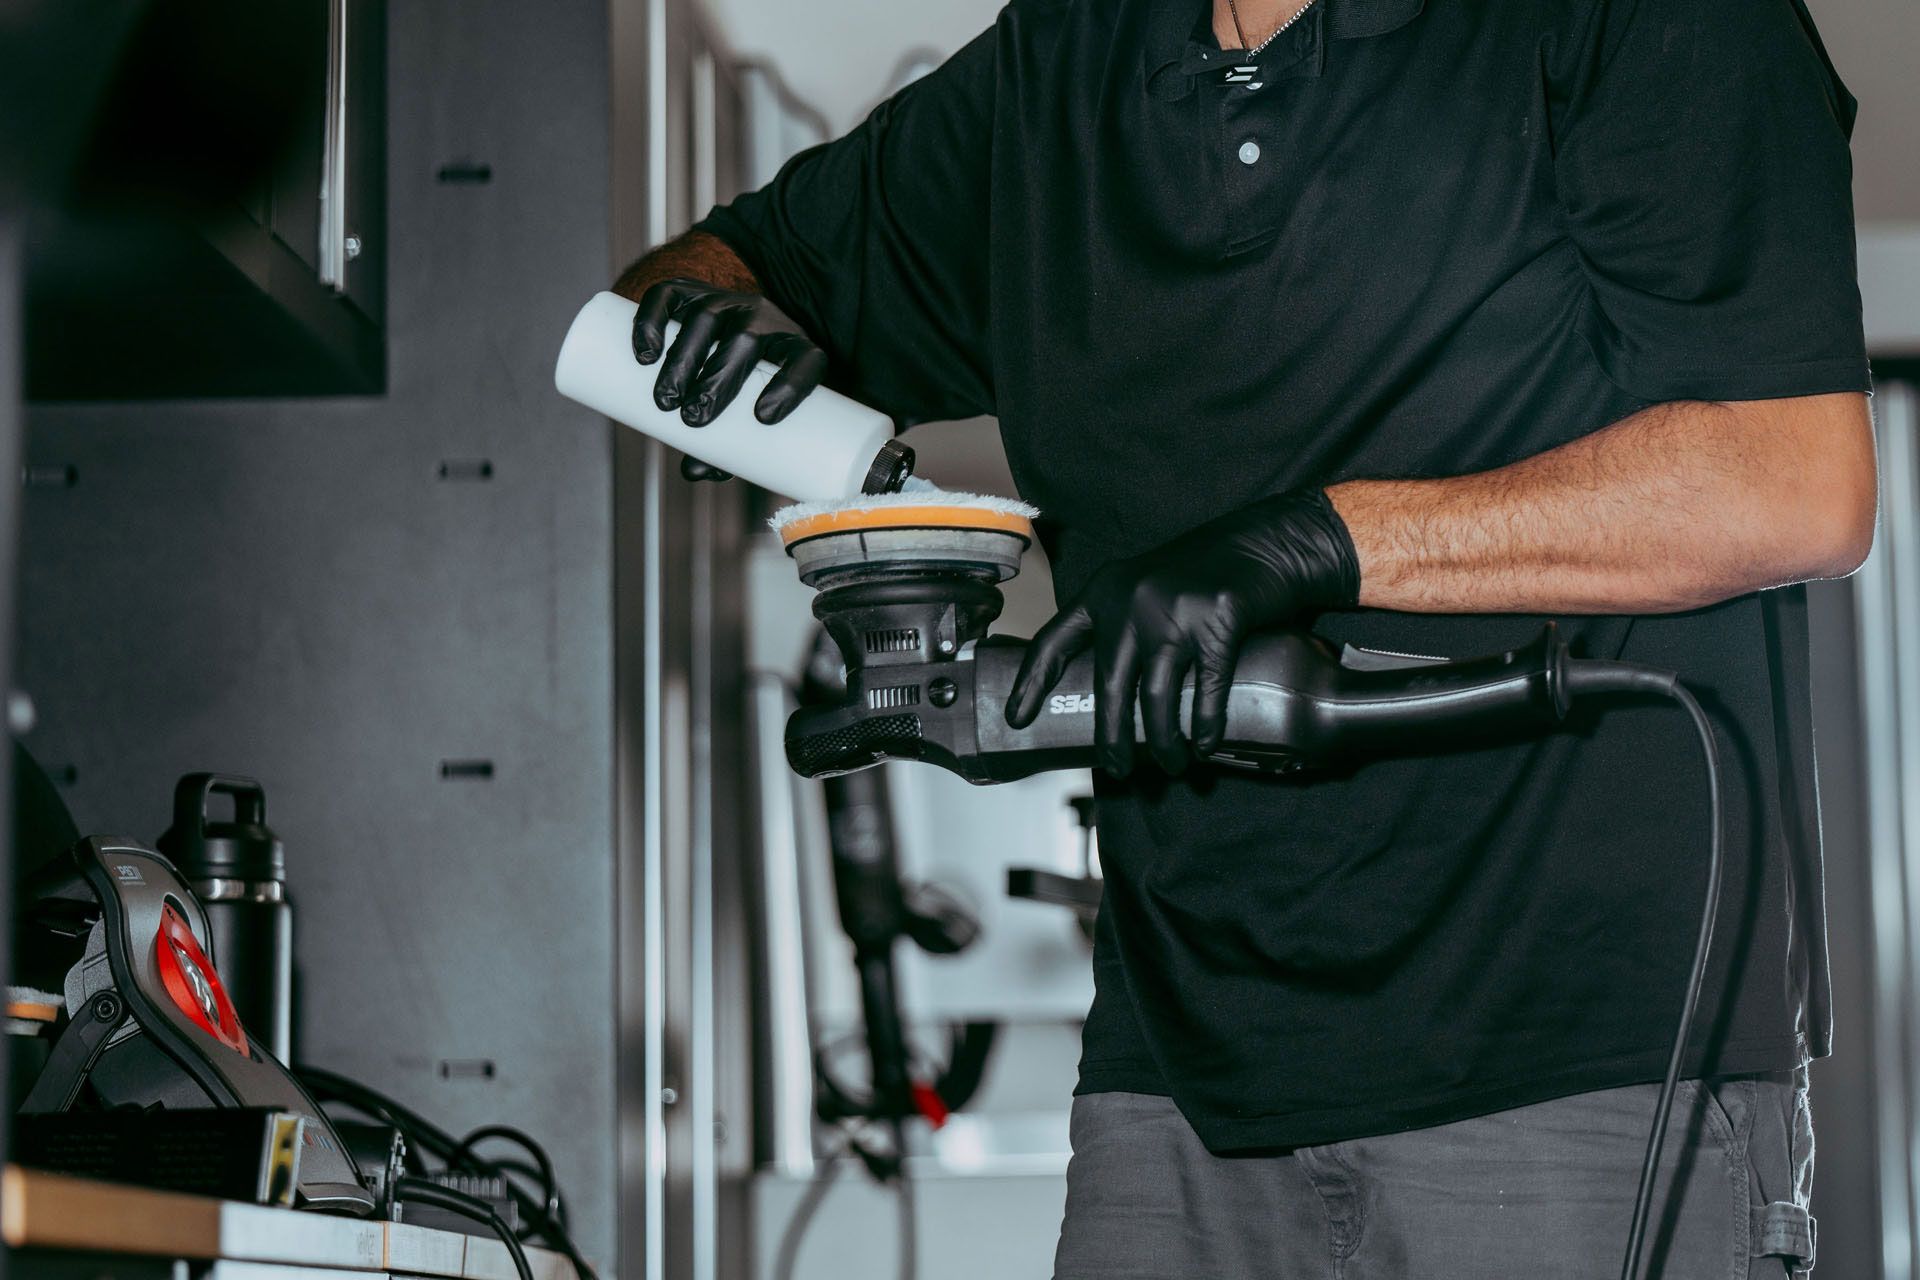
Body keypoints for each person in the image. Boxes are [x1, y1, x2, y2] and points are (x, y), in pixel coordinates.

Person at [613, 0, 1872, 1274]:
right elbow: (693, 278)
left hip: (1586, 1072)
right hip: (1175, 1093)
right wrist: (705, 321)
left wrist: (1302, 545)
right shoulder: (1062, 67)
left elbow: (1790, 480)